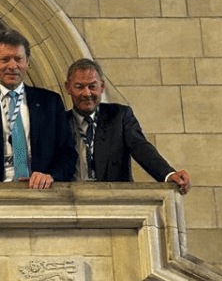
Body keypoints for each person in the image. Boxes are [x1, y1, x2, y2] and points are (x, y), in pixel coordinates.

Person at [0, 28, 76, 190]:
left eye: (18, 59)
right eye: (5, 60)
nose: (13, 66)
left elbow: (68, 154)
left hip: (40, 193)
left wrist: (50, 176)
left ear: (27, 62)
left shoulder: (50, 102)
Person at [64, 58, 191, 194]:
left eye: (92, 86)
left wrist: (168, 174)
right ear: (68, 88)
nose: (86, 93)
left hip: (115, 201)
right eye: (79, 87)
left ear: (102, 86)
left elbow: (141, 148)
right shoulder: (59, 121)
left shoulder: (120, 116)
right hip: (70, 201)